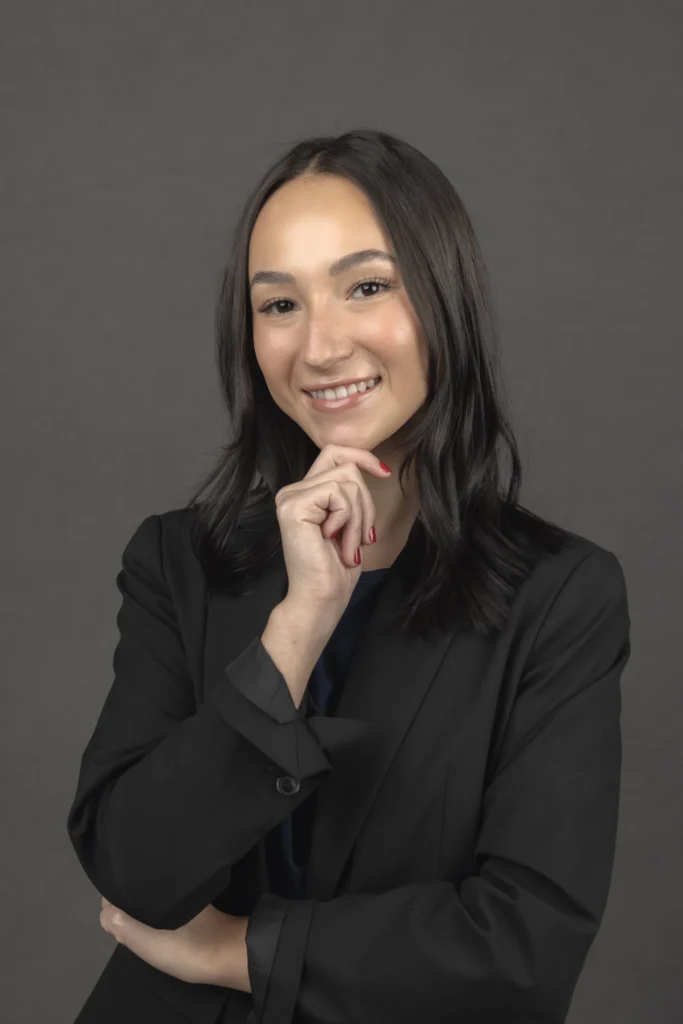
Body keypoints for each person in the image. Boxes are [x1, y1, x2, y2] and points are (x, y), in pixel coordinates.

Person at [66, 129, 631, 1024]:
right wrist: (298, 624)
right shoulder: (178, 560)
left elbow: (523, 948)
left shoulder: (560, 596)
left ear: (443, 300)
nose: (320, 346)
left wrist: (236, 953)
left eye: (366, 287)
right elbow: (136, 870)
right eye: (278, 304)